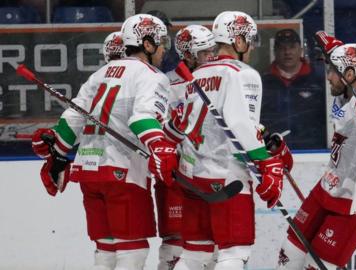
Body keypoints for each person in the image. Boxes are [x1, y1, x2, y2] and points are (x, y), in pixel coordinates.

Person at [31, 13, 176, 270]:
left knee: (106, 251)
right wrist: (161, 148)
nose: (164, 49)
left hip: (88, 173)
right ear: (147, 43)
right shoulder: (152, 77)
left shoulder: (100, 74)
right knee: (133, 251)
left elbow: (71, 121)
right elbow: (142, 118)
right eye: (161, 42)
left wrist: (58, 156)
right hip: (124, 174)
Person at [158, 11, 284, 270]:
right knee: (234, 252)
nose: (250, 48)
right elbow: (240, 124)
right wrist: (266, 162)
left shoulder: (199, 74)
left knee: (195, 254)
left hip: (194, 177)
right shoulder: (243, 73)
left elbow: (186, 124)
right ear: (238, 42)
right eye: (249, 40)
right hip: (228, 177)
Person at [275, 32, 356, 270]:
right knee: (289, 251)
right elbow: (350, 61)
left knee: (317, 266)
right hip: (330, 185)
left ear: (350, 75)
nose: (328, 77)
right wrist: (335, 50)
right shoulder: (350, 85)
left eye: (332, 71)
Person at [156, 24, 216, 270]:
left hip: (206, 172)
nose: (211, 57)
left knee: (210, 247)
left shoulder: (217, 79)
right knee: (174, 247)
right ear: (187, 54)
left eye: (213, 50)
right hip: (175, 174)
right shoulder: (165, 84)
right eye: (204, 53)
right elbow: (156, 128)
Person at [261, 28, 326, 150]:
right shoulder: (262, 82)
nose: (287, 52)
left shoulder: (318, 80)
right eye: (282, 47)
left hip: (312, 150)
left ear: (300, 50)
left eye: (292, 47)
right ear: (275, 51)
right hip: (273, 151)